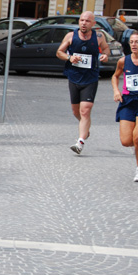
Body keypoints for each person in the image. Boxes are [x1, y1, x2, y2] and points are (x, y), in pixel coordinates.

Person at [56, 11, 111, 154]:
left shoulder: (99, 36)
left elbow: (106, 49)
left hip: (91, 78)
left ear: (93, 23)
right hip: (74, 77)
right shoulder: (70, 36)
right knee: (76, 111)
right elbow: (59, 52)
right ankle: (85, 128)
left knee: (85, 110)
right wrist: (69, 57)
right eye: (81, 20)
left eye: (87, 21)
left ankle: (80, 142)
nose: (83, 23)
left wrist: (105, 55)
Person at [112, 31, 138, 182]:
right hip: (128, 102)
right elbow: (115, 76)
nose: (135, 44)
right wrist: (116, 91)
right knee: (126, 141)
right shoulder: (123, 61)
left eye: (137, 42)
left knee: (137, 137)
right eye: (132, 42)